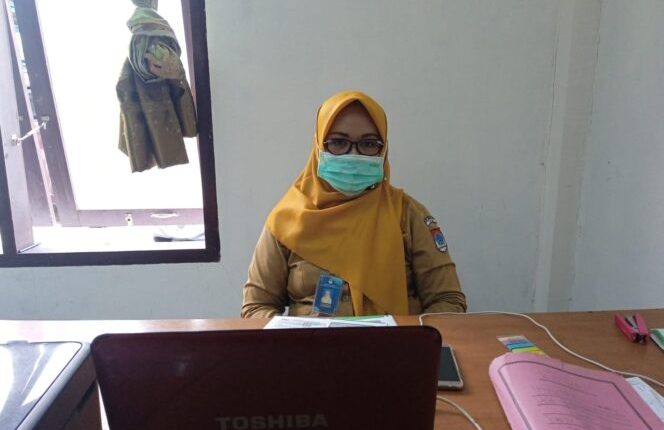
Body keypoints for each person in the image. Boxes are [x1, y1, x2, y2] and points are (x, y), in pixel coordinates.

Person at [241, 91, 466, 318]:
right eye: (338, 142)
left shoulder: (407, 215)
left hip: (397, 340)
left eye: (368, 144)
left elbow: (448, 300)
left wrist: (411, 335)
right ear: (319, 146)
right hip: (309, 342)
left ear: (383, 149)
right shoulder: (286, 220)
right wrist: (292, 337)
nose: (354, 155)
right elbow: (256, 307)